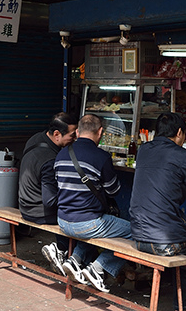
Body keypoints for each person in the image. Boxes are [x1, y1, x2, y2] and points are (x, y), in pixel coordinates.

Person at [130, 113, 186, 310]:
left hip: (138, 236)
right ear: (180, 133)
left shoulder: (143, 150)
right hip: (162, 242)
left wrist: (184, 187)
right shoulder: (182, 155)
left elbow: (164, 181)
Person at [54, 114, 131, 293]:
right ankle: (98, 267)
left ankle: (75, 260)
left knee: (93, 225)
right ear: (100, 132)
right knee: (137, 232)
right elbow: (114, 191)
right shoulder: (101, 157)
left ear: (78, 132)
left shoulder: (61, 154)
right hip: (87, 224)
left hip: (63, 221)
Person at [18, 112, 78, 275]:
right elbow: (50, 201)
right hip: (37, 212)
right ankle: (63, 252)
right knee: (80, 218)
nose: (74, 139)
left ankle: (63, 251)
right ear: (57, 134)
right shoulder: (50, 159)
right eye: (72, 135)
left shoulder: (36, 138)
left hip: (24, 205)